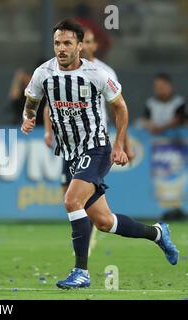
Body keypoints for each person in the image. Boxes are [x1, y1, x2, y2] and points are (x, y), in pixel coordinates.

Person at [21, 19, 179, 289]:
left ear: (80, 46)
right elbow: (32, 101)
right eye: (57, 43)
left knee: (71, 201)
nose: (61, 48)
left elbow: (121, 108)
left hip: (96, 147)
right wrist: (28, 117)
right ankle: (157, 233)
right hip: (71, 153)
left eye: (68, 43)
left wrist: (119, 145)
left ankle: (80, 272)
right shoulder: (43, 73)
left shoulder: (97, 74)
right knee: (105, 222)